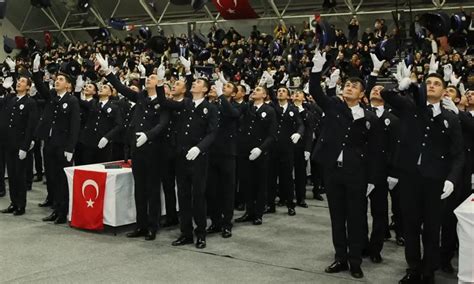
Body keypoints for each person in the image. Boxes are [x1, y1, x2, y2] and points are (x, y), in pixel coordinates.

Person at [381, 63, 464, 284]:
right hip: (410, 177)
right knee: (410, 225)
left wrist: (452, 180)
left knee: (432, 226)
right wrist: (401, 86)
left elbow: (458, 154)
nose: (432, 86)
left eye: (437, 83)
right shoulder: (411, 106)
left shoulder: (451, 117)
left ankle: (429, 270)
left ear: (445, 91)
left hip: (436, 180)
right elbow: (385, 94)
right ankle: (413, 268)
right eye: (428, 83)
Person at [309, 49, 382, 279]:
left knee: (357, 217)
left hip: (357, 173)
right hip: (333, 171)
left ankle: (355, 260)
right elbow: (315, 92)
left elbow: (373, 152)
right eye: (347, 85)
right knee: (337, 216)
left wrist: (371, 179)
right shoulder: (334, 106)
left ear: (362, 94)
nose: (348, 87)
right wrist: (315, 71)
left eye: (354, 86)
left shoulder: (369, 117)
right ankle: (340, 257)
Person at [97, 54, 169, 241]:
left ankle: (152, 226)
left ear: (159, 82)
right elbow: (121, 88)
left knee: (153, 190)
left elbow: (162, 124)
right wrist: (108, 72)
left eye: (152, 77)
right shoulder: (141, 97)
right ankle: (141, 224)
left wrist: (149, 135)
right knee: (140, 190)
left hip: (154, 150)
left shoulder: (163, 102)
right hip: (138, 150)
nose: (148, 80)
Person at [156, 57, 218, 249]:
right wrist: (159, 83)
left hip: (198, 158)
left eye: (199, 82)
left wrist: (199, 148)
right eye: (195, 81)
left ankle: (201, 233)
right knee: (182, 195)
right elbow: (163, 102)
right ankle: (185, 233)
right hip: (181, 156)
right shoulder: (186, 104)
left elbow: (213, 133)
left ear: (205, 89)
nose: (195, 84)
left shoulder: (211, 108)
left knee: (198, 196)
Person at [32, 54, 81, 224]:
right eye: (57, 79)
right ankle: (55, 209)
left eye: (61, 79)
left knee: (62, 180)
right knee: (52, 178)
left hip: (63, 146)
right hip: (50, 143)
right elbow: (40, 86)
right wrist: (36, 71)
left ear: (68, 85)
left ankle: (63, 211)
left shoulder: (72, 101)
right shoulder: (52, 97)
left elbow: (75, 126)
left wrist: (70, 148)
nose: (57, 81)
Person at [362, 54, 401, 263]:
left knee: (379, 212)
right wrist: (374, 74)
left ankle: (375, 248)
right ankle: (361, 246)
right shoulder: (361, 113)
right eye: (373, 89)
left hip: (381, 172)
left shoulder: (392, 119)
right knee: (357, 212)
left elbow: (396, 147)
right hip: (358, 168)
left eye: (380, 89)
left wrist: (393, 173)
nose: (376, 90)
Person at [235, 85, 277, 225]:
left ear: (265, 95)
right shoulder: (247, 107)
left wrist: (261, 149)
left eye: (258, 90)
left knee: (260, 183)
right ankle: (249, 211)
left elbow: (272, 135)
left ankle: (258, 213)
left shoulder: (269, 110)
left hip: (260, 152)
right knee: (246, 182)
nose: (254, 91)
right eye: (254, 90)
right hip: (245, 150)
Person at [206, 80, 241, 238]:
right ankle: (215, 221)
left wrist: (221, 95)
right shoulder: (212, 105)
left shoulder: (238, 106)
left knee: (227, 190)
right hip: (211, 152)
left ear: (233, 94)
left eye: (227, 87)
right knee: (212, 190)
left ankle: (227, 223)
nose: (221, 88)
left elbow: (232, 114)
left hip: (227, 153)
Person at [0, 74, 38, 216]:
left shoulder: (30, 102)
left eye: (22, 81)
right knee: (11, 175)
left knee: (19, 175)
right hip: (8, 143)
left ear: (28, 86)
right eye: (18, 81)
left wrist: (25, 145)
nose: (18, 83)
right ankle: (13, 202)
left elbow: (30, 126)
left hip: (20, 144)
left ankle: (21, 204)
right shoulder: (11, 99)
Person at [266, 86, 304, 215]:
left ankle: (290, 205)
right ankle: (270, 204)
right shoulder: (273, 106)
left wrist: (298, 133)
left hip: (287, 148)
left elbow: (300, 124)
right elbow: (271, 93)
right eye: (279, 91)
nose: (280, 92)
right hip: (273, 147)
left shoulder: (293, 109)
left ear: (288, 96)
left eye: (283, 91)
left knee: (287, 178)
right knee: (270, 177)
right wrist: (271, 85)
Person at [78, 84, 123, 165]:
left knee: (101, 169)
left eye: (105, 87)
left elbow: (119, 125)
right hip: (88, 143)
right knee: (86, 168)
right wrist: (78, 89)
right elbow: (80, 101)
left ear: (110, 93)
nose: (101, 88)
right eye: (101, 87)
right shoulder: (93, 103)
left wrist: (107, 137)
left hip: (104, 144)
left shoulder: (114, 107)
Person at [291, 89, 315, 208]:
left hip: (301, 146)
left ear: (304, 98)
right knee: (286, 172)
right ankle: (286, 196)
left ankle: (301, 197)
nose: (296, 94)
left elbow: (310, 132)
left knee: (301, 173)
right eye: (294, 93)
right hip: (288, 145)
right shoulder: (288, 109)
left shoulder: (308, 113)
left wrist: (308, 149)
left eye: (299, 93)